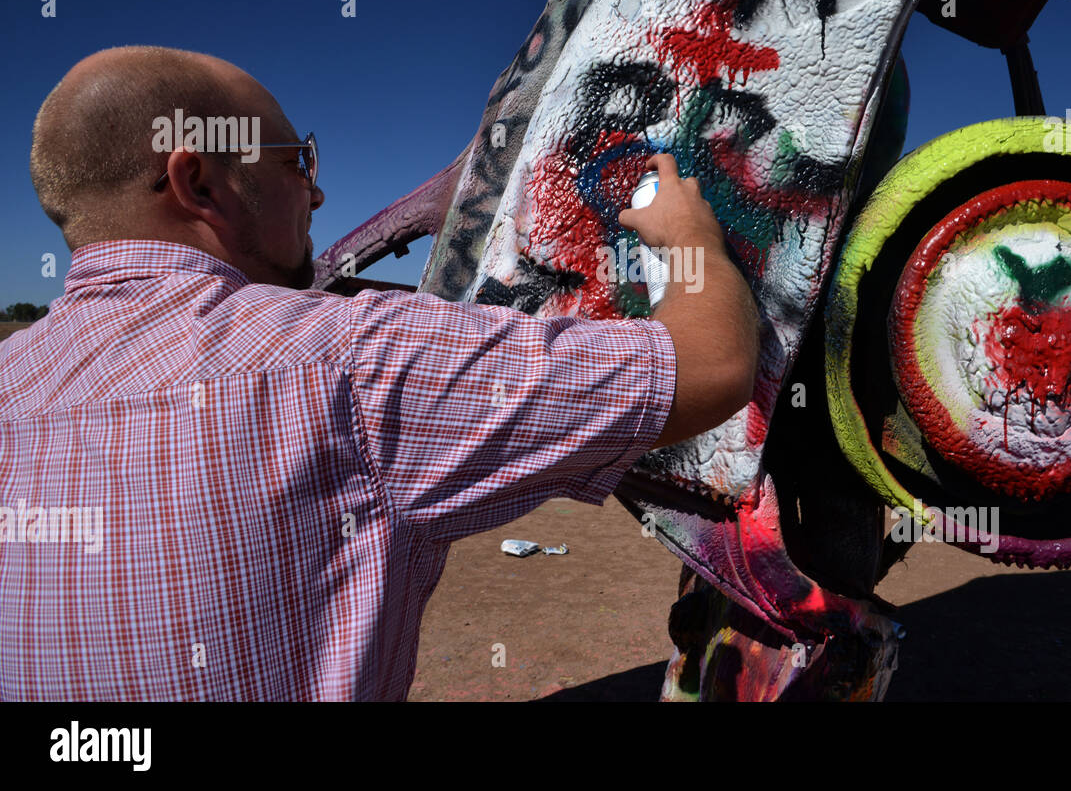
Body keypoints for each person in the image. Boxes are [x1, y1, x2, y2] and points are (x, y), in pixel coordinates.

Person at [0, 46, 758, 700]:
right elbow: (709, 363)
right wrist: (690, 242)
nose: (318, 191)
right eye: (296, 161)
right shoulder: (347, 360)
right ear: (197, 182)